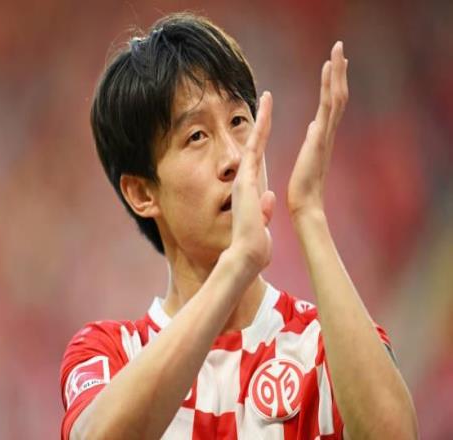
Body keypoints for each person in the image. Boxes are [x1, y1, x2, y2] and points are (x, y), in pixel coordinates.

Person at [59, 12, 418, 439]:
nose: (233, 158)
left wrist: (309, 214)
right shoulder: (110, 352)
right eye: (196, 136)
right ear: (142, 193)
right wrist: (238, 263)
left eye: (238, 121)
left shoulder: (327, 345)